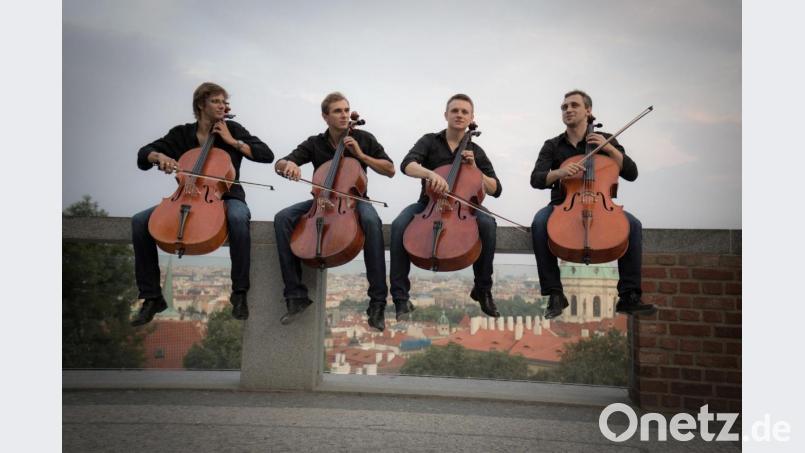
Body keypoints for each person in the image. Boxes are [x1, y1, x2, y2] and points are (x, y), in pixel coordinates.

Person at [130, 82, 274, 326]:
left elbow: (265, 154)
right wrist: (160, 156)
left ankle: (239, 292)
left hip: (228, 196)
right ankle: (152, 296)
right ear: (201, 105)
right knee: (139, 221)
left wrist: (232, 140)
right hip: (186, 195)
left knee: (239, 219)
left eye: (224, 102)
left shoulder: (233, 129)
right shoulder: (182, 134)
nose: (222, 106)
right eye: (216, 101)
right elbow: (144, 155)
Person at [274, 92, 395, 331]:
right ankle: (295, 295)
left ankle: (377, 302)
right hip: (321, 202)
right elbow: (280, 163)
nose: (344, 115)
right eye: (338, 111)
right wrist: (287, 165)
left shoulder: (364, 138)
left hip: (355, 201)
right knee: (282, 218)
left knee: (371, 220)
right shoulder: (314, 143)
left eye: (346, 110)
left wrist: (360, 155)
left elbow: (390, 169)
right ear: (325, 117)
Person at [530, 89, 655, 319]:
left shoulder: (607, 140)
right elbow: (536, 179)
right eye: (564, 107)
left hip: (601, 205)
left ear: (588, 111)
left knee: (633, 225)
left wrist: (609, 148)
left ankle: (629, 296)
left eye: (574, 105)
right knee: (539, 223)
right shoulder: (553, 145)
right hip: (563, 206)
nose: (568, 110)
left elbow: (631, 172)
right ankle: (555, 293)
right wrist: (560, 172)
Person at [390, 94, 502, 321]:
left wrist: (477, 171)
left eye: (464, 112)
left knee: (488, 223)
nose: (459, 115)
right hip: (428, 203)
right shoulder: (430, 141)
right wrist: (430, 174)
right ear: (446, 115)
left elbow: (496, 188)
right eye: (455, 111)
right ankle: (401, 297)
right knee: (399, 224)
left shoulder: (476, 151)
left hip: (465, 207)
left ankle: (482, 289)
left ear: (471, 117)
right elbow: (407, 165)